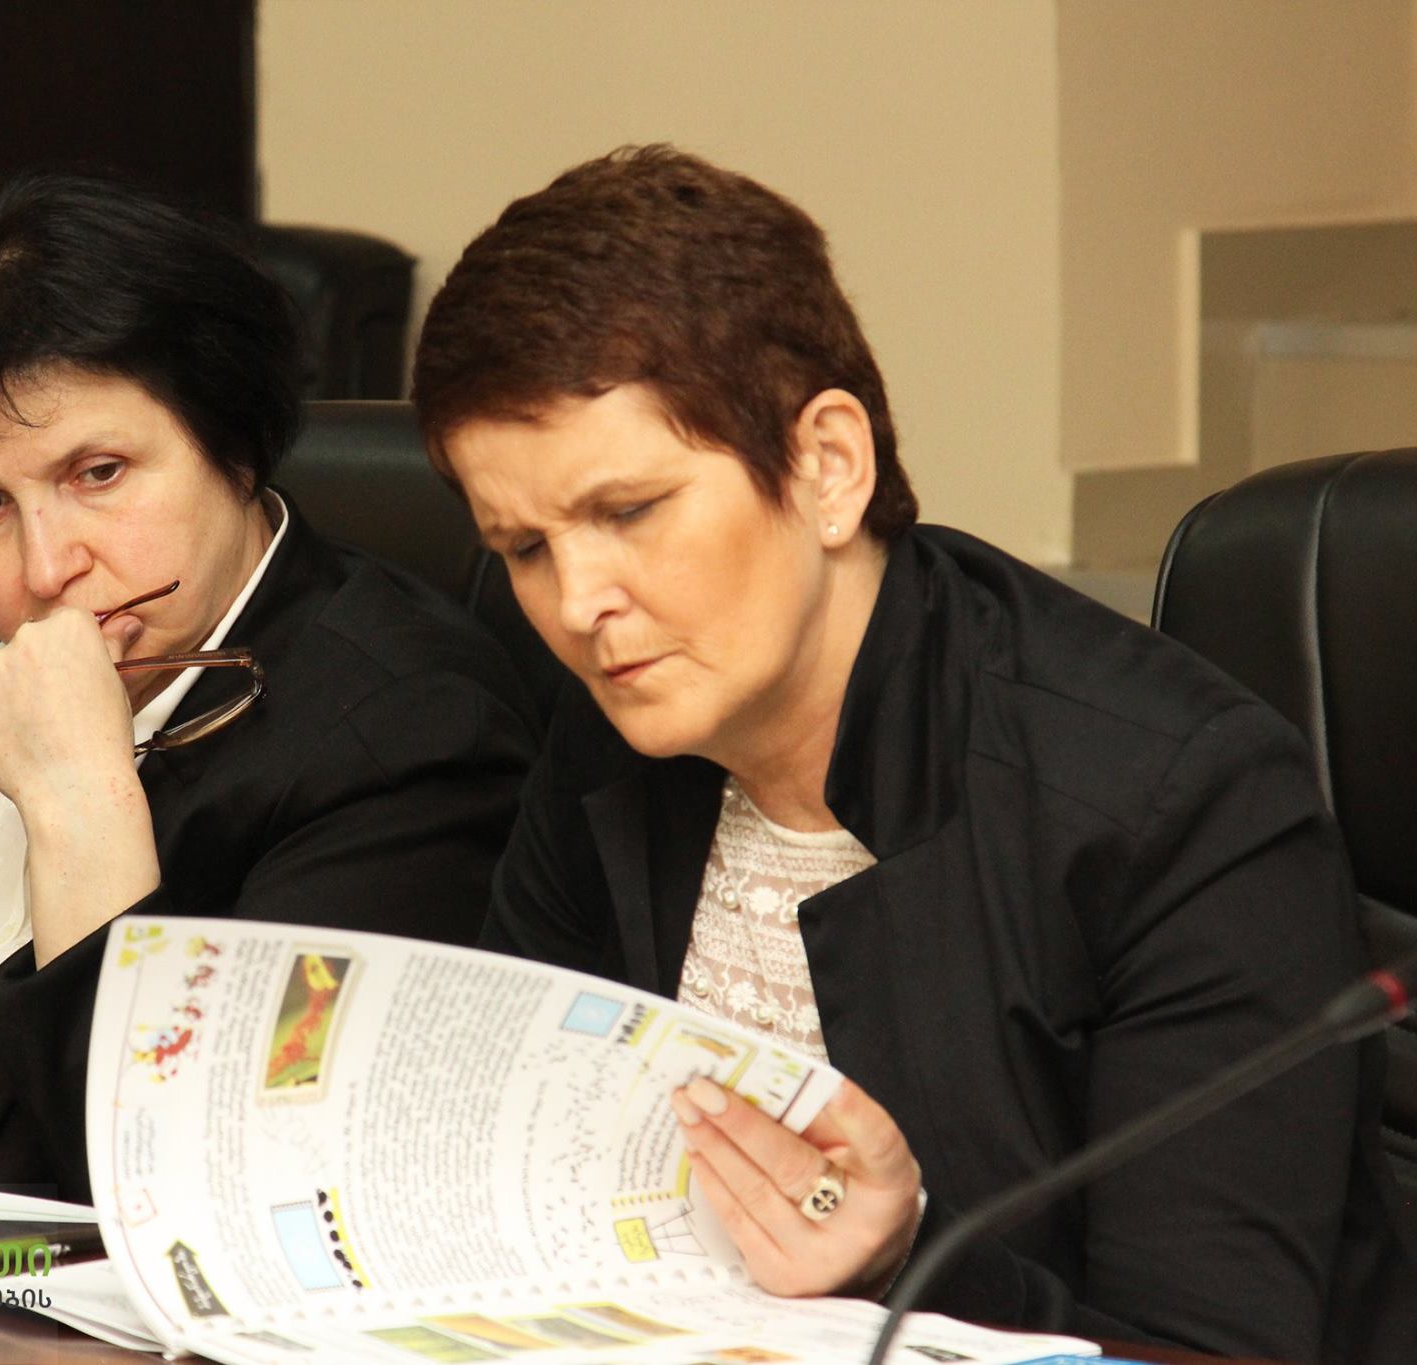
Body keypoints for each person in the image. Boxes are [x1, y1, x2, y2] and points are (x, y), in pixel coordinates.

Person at [410, 145, 1415, 1361]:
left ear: (826, 466)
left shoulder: (1176, 797)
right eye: (522, 549)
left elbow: (1207, 1347)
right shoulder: (608, 738)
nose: (576, 604)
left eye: (627, 512)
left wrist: (898, 1257)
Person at [0, 171, 535, 1200]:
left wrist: (78, 800)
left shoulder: (413, 735)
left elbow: (194, 1184)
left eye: (98, 473)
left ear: (231, 442)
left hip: (31, 1284)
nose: (44, 567)